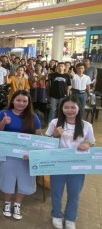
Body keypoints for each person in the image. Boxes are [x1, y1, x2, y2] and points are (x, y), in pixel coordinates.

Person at [45, 96, 95, 229]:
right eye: (66, 107)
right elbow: (45, 144)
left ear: (79, 108)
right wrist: (54, 135)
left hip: (77, 166)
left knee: (74, 193)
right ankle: (56, 215)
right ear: (61, 108)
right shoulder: (55, 122)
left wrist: (87, 144)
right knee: (56, 192)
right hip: (57, 164)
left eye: (73, 107)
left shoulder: (87, 125)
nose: (70, 110)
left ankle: (70, 218)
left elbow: (91, 141)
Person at [0, 90, 41, 220]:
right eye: (18, 100)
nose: (21, 103)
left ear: (29, 103)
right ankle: (7, 203)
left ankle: (17, 204)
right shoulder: (4, 113)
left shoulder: (33, 117)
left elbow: (38, 136)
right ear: (12, 101)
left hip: (26, 156)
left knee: (24, 179)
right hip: (8, 154)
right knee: (7, 178)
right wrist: (3, 123)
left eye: (24, 101)